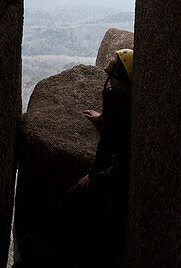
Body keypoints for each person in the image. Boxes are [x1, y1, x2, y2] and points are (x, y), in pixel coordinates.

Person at [61, 49, 134, 268]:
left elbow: (108, 142)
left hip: (114, 174)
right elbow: (117, 125)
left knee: (72, 200)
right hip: (120, 173)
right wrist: (103, 117)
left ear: (119, 70)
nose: (110, 59)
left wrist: (93, 176)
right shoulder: (123, 95)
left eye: (115, 58)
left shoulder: (115, 97)